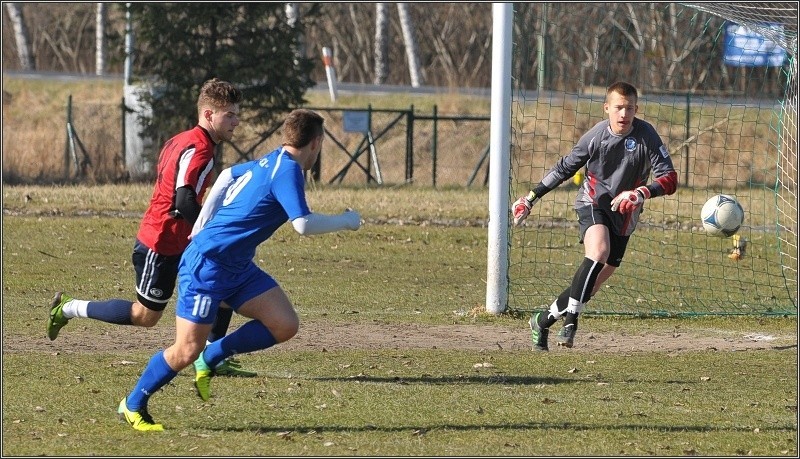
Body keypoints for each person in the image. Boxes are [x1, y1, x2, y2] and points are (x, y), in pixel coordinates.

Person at [117, 108, 362, 431]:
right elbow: (302, 224)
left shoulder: (272, 160)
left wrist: (202, 222)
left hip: (237, 266)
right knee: (186, 349)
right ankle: (133, 404)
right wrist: (345, 221)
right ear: (316, 143)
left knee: (284, 324)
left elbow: (227, 175)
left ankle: (214, 353)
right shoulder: (286, 170)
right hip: (207, 267)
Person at [46, 78, 257, 377]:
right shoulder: (200, 150)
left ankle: (210, 357)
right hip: (161, 243)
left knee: (221, 282)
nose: (236, 121)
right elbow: (183, 199)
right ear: (209, 115)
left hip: (180, 239)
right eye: (230, 115)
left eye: (237, 114)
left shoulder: (182, 139)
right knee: (145, 316)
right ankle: (68, 307)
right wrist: (209, 233)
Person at [512, 81, 677, 351]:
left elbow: (670, 179)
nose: (624, 114)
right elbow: (565, 167)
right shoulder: (596, 136)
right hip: (593, 202)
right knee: (598, 252)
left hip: (625, 215)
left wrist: (640, 193)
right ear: (607, 108)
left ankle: (541, 321)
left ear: (636, 109)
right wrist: (531, 198)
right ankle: (571, 323)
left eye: (630, 108)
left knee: (591, 286)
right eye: (618, 108)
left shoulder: (647, 135)